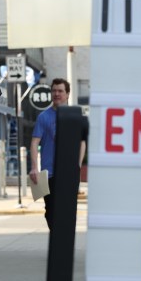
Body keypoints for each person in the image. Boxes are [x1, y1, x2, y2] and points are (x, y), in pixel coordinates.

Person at [28, 78, 86, 230]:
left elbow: (82, 142)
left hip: (69, 173)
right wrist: (34, 167)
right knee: (51, 211)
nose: (56, 94)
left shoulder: (74, 116)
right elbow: (34, 143)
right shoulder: (43, 117)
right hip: (50, 173)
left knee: (68, 210)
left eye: (60, 91)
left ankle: (65, 243)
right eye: (54, 90)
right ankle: (57, 239)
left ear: (67, 94)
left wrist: (77, 166)